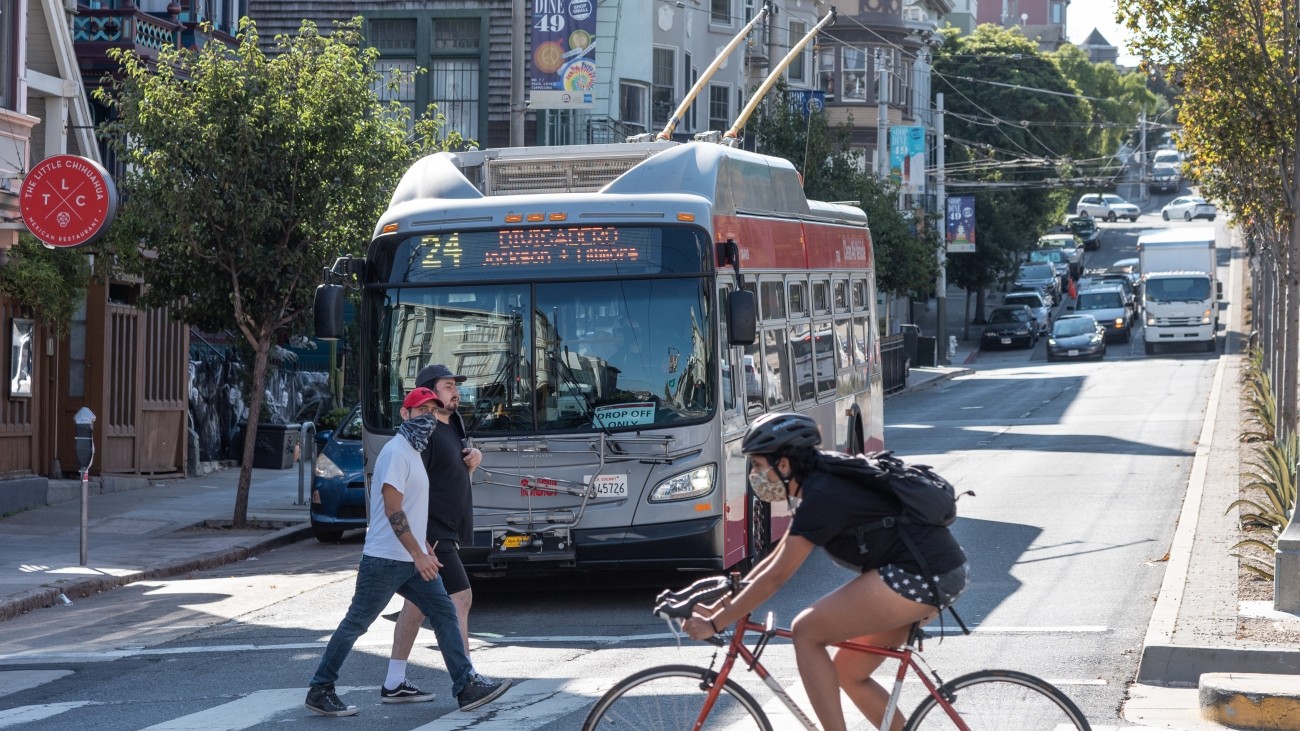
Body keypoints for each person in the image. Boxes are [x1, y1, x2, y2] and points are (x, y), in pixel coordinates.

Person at [683, 413, 968, 731]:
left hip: (921, 576)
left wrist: (715, 622)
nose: (755, 474)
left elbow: (778, 575)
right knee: (850, 674)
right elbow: (775, 560)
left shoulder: (823, 495)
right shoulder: (823, 477)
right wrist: (720, 608)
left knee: (806, 631)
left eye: (760, 465)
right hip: (935, 572)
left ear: (785, 465)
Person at [304, 387, 510, 717]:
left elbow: (412, 510)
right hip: (386, 558)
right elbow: (392, 509)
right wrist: (418, 553)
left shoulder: (414, 452)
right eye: (421, 411)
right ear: (405, 414)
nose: (428, 417)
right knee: (357, 622)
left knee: (444, 613)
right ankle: (320, 687)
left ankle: (465, 686)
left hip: (412, 557)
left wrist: (423, 545)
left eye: (433, 411)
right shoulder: (396, 452)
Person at [382, 364, 511, 703]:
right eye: (449, 385)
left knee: (416, 606)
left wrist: (473, 463)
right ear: (429, 392)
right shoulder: (422, 434)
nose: (456, 392)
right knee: (460, 599)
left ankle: (394, 681)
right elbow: (409, 485)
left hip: (446, 528)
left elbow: (454, 480)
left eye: (456, 386)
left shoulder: (452, 426)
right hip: (432, 529)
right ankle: (467, 679)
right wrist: (418, 539)